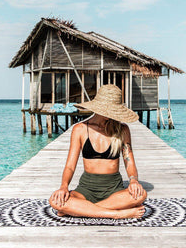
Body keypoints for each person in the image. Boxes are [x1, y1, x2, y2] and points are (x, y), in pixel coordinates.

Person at [49, 84, 147, 219]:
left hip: (114, 189)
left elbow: (129, 162)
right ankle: (116, 214)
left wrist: (133, 181)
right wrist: (64, 186)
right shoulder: (80, 129)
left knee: (141, 195)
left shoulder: (122, 130)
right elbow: (70, 166)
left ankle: (81, 209)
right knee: (54, 200)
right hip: (86, 189)